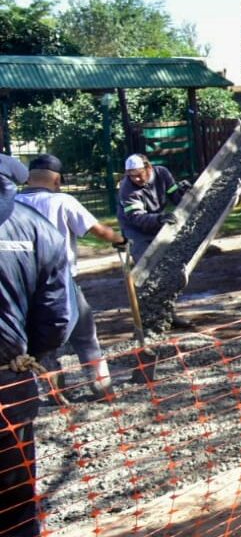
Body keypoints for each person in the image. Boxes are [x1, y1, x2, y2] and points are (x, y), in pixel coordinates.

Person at [0, 153, 74, 537]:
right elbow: (57, 318)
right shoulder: (36, 228)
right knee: (14, 503)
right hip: (9, 384)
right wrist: (26, 355)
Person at [16, 154, 126, 400]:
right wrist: (121, 240)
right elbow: (97, 230)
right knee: (85, 337)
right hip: (59, 282)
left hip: (23, 286)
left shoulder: (11, 202)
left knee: (42, 342)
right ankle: (103, 391)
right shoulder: (63, 201)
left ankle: (56, 395)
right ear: (57, 180)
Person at [116, 153, 189, 262]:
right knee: (146, 261)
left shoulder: (162, 173)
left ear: (149, 168)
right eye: (131, 176)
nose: (136, 179)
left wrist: (185, 192)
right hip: (135, 228)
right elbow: (136, 217)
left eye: (139, 174)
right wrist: (159, 219)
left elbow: (175, 197)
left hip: (156, 219)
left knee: (172, 254)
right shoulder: (127, 189)